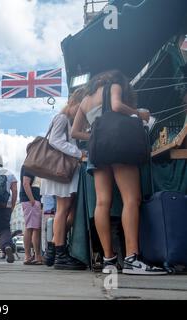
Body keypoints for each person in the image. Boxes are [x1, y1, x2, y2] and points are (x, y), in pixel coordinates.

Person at [71, 70, 166, 275]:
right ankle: (132, 258)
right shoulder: (114, 86)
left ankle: (109, 260)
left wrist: (96, 135)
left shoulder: (85, 100)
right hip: (118, 146)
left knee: (102, 202)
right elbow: (115, 106)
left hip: (97, 151)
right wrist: (139, 114)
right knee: (132, 199)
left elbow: (75, 132)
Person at [40, 87, 87, 270]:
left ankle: (53, 249)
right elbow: (54, 141)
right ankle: (60, 253)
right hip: (60, 170)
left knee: (68, 210)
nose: (81, 113)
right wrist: (78, 152)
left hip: (63, 170)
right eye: (80, 108)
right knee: (63, 209)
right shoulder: (61, 118)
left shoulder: (67, 119)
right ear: (73, 103)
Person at [20, 165, 43, 265]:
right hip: (31, 200)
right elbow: (26, 183)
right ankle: (35, 256)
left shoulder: (29, 165)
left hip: (30, 200)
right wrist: (32, 200)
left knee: (31, 227)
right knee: (34, 228)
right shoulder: (30, 165)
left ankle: (30, 256)